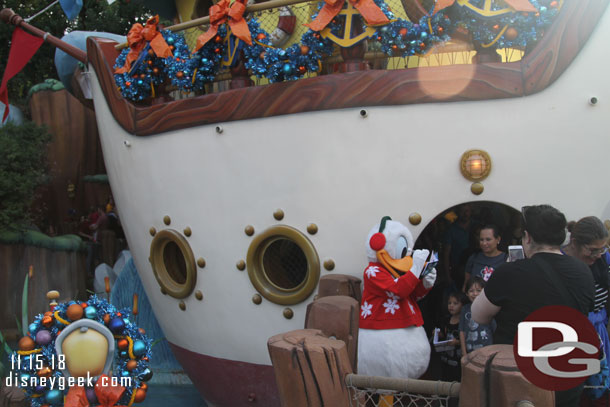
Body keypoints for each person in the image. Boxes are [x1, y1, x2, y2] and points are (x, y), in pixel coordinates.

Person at [472, 204, 595, 407]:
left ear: (527, 238)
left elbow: (478, 315)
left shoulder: (509, 272)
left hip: (521, 381)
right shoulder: (583, 272)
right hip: (567, 376)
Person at [561, 216, 610, 406]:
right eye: (592, 250)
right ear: (574, 242)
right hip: (569, 336)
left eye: (602, 248)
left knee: (598, 392)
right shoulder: (560, 260)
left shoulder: (604, 258)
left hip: (599, 331)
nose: (598, 254)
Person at [463, 225, 507, 289]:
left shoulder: (506, 259)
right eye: (481, 240)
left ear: (498, 239)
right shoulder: (474, 258)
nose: (484, 243)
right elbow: (466, 285)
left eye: (488, 239)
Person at [460, 276, 495, 356]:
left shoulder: (489, 309)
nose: (475, 294)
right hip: (470, 352)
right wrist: (464, 352)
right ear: (467, 293)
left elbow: (495, 330)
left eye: (478, 290)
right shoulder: (465, 310)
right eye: (471, 291)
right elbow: (462, 331)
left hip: (487, 352)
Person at [438, 291, 466, 382]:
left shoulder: (464, 322)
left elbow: (467, 339)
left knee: (456, 380)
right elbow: (444, 335)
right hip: (445, 359)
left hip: (457, 360)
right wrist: (438, 334)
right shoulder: (446, 319)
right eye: (449, 303)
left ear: (462, 305)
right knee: (445, 379)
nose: (451, 306)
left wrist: (457, 342)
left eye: (455, 303)